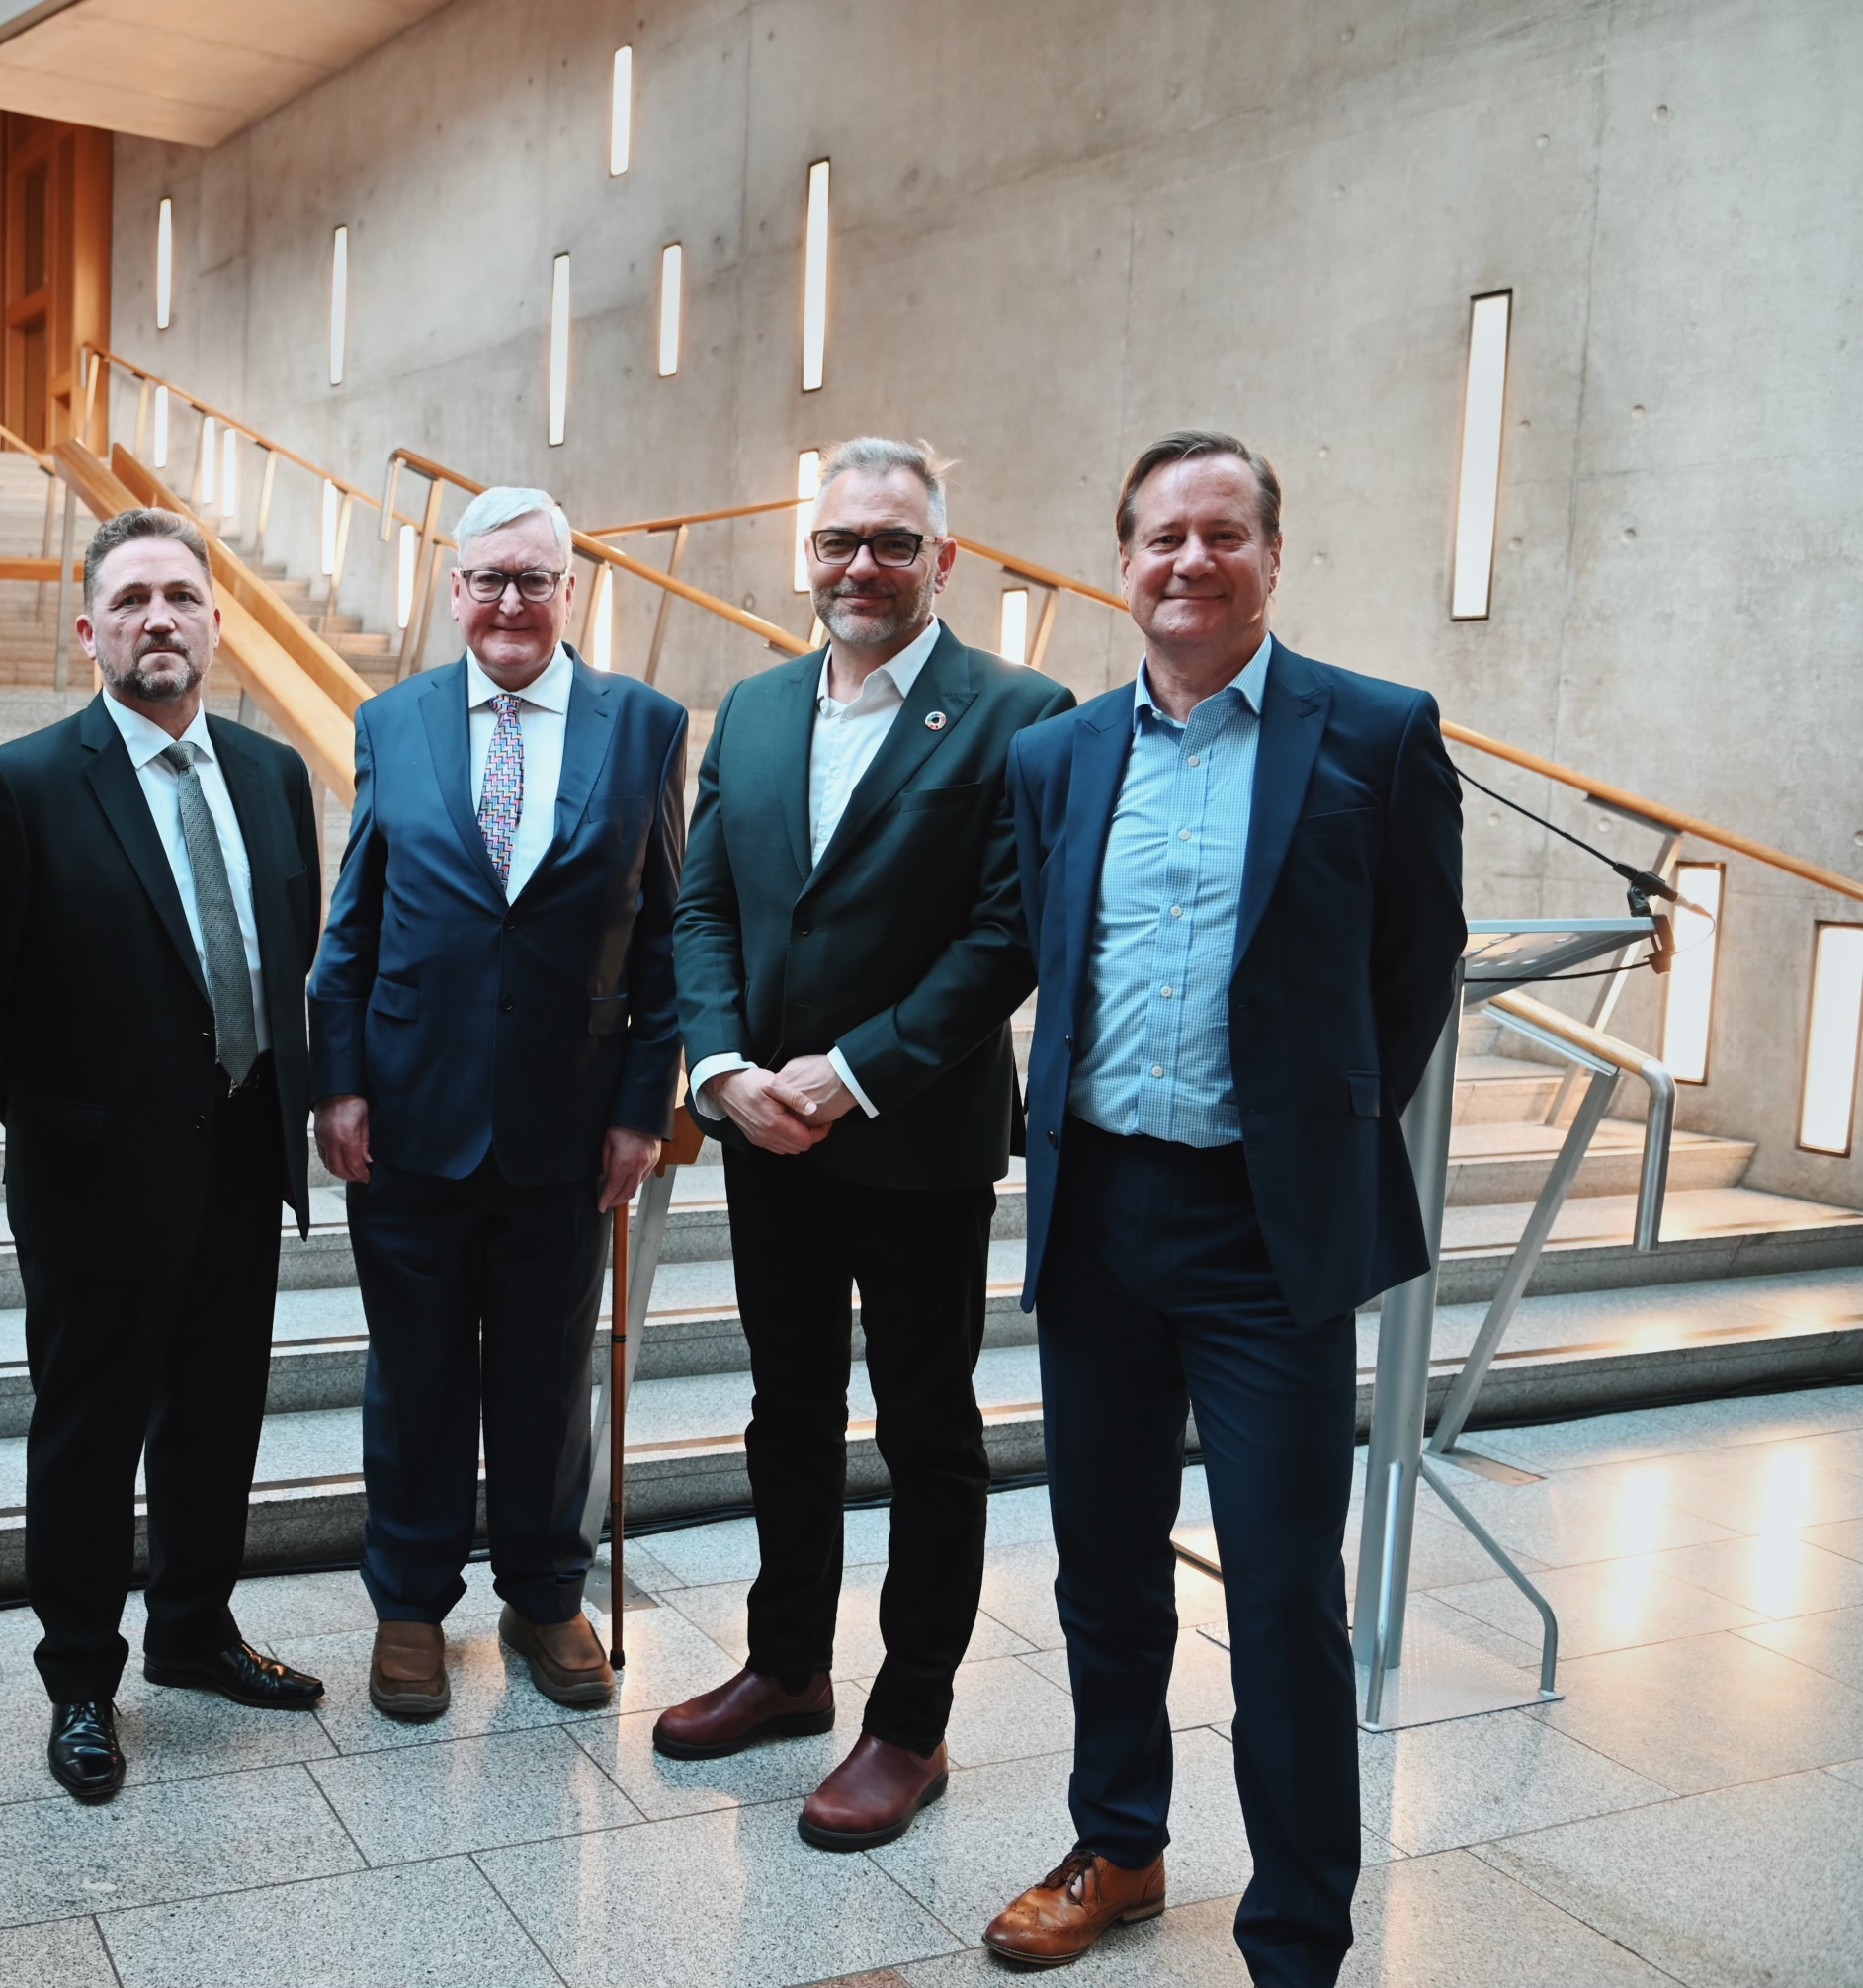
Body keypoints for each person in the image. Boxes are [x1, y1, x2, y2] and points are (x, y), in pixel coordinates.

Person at [989, 432, 1463, 1980]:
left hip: (1266, 1236)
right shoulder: (1057, 756)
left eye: (1223, 534)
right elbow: (1046, 962)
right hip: (1102, 1212)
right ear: (1120, 562)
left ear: (1273, 556)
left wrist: (1315, 1139)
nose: (1190, 561)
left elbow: (1411, 972)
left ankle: (1299, 1930)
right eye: (1160, 538)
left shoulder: (1378, 737)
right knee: (1102, 1563)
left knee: (1278, 1595)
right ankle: (1120, 1845)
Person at [662, 437, 1075, 1849]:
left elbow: (1006, 934)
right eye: (840, 539)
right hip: (766, 1139)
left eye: (894, 542)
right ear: (808, 553)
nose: (863, 565)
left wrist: (850, 1073)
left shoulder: (1020, 712)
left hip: (914, 1139)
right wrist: (721, 1068)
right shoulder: (759, 704)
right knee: (786, 1411)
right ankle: (786, 1667)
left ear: (943, 561)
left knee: (925, 1430)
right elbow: (701, 905)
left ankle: (910, 1722)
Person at [0, 507, 325, 1802]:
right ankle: (82, 1681)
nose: (161, 617)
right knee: (91, 1436)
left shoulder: (272, 777)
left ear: (217, 623)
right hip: (95, 1175)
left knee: (218, 1417)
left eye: (183, 596)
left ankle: (197, 1631)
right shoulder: (26, 783)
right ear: (89, 631)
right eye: (132, 599)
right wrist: (60, 1107)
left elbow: (290, 954)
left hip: (238, 1161)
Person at [311, 484, 687, 1720]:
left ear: (570, 590)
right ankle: (411, 1603)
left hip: (568, 1125)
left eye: (535, 578)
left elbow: (664, 937)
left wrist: (644, 1102)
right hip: (409, 1115)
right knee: (414, 1370)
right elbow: (354, 921)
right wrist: (339, 1079)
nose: (510, 602)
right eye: (488, 579)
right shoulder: (394, 720)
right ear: (454, 589)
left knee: (542, 1370)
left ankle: (543, 1591)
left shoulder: (642, 726)